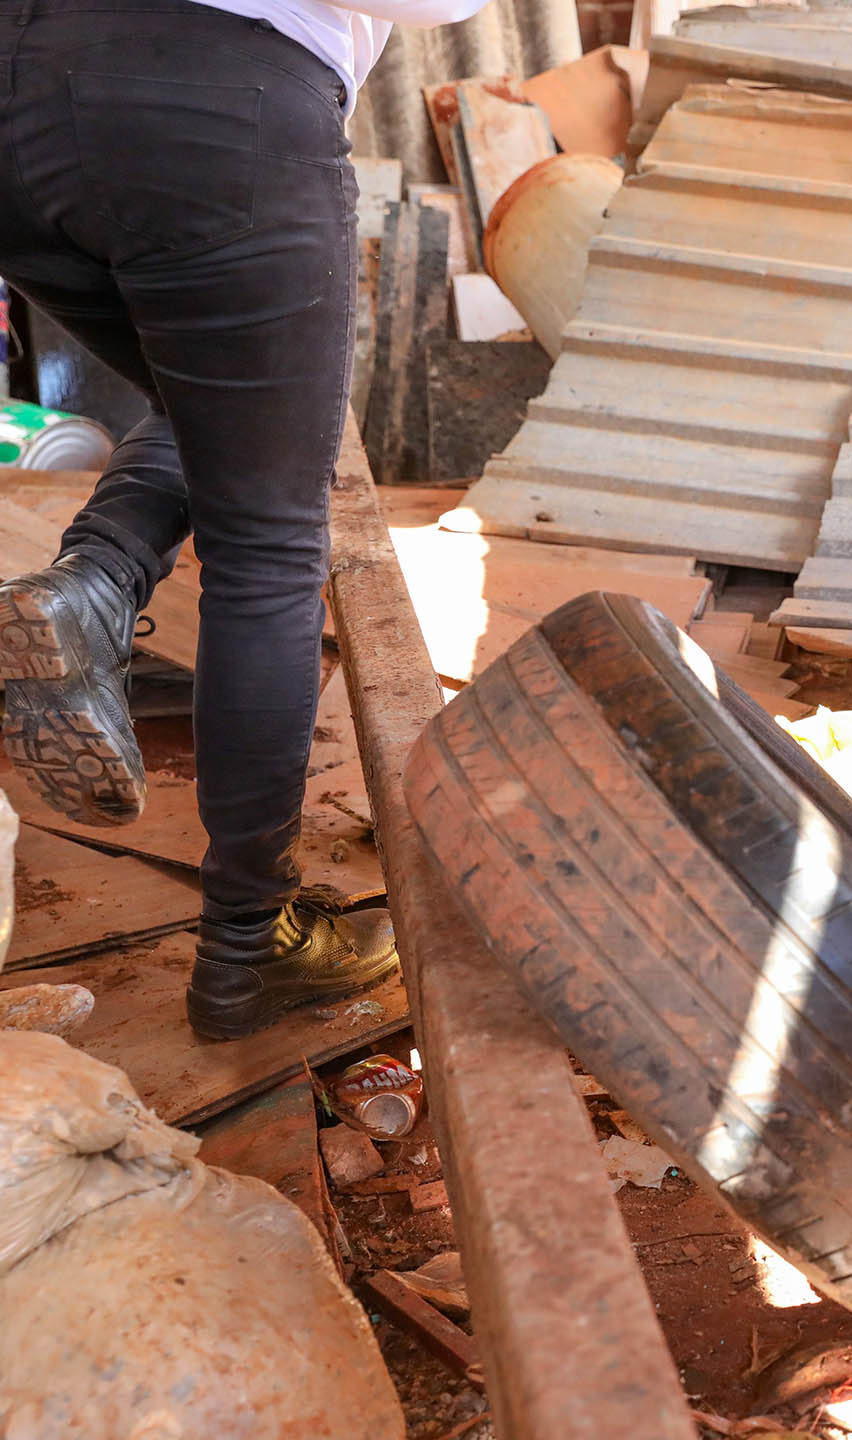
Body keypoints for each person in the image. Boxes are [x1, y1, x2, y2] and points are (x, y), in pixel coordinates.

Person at [0, 0, 487, 1038]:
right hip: (212, 95)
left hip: (17, 80)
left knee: (218, 406)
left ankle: (93, 582)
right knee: (265, 540)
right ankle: (246, 946)